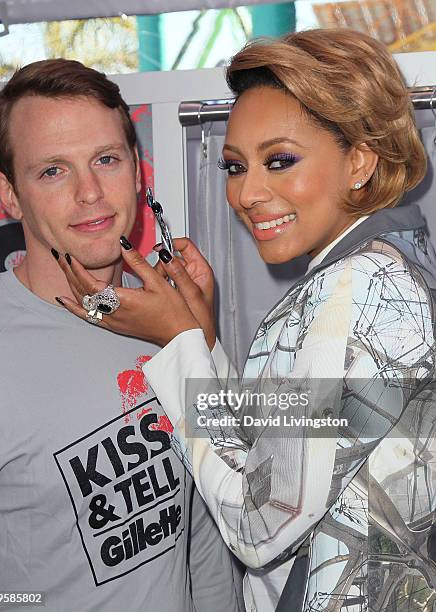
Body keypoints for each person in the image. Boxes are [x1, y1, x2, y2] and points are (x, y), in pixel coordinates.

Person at [54, 30, 436, 612]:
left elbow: (260, 525)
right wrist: (203, 339)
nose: (248, 193)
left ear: (359, 160)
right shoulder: (388, 260)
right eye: (236, 166)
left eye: (280, 161)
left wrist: (177, 344)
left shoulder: (353, 289)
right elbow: (287, 453)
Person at [0, 59, 244, 612]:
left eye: (105, 159)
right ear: (10, 193)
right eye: (52, 170)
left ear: (138, 172)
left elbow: (209, 534)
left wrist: (202, 341)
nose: (90, 192)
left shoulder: (171, 318)